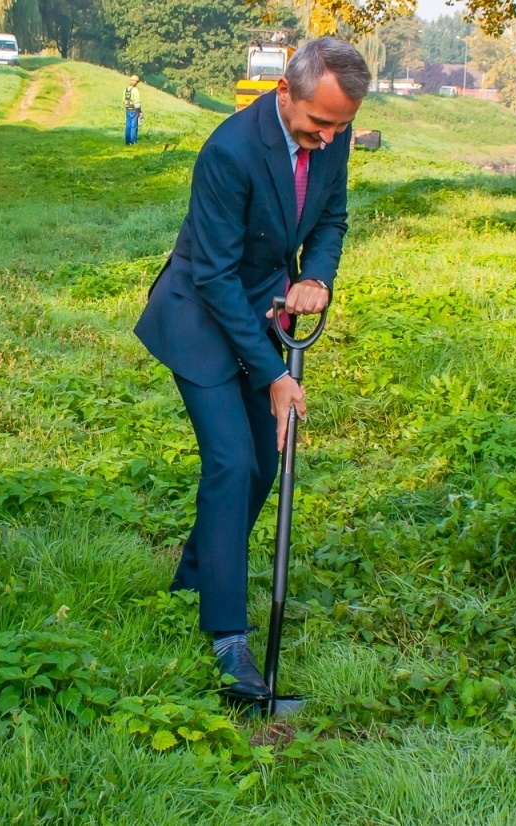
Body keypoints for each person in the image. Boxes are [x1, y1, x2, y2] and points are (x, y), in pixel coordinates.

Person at [133, 38, 368, 699]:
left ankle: (194, 573)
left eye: (340, 127)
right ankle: (230, 640)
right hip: (201, 314)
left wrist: (317, 276)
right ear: (285, 93)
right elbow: (211, 275)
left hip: (264, 309)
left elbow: (332, 218)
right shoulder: (229, 152)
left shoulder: (332, 135)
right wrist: (273, 374)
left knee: (265, 464)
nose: (328, 139)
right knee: (233, 461)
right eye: (320, 123)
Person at [124, 75, 143, 145]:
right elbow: (137, 102)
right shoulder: (135, 90)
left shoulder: (126, 89)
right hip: (134, 110)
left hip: (128, 109)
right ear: (136, 82)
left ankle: (127, 141)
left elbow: (124, 100)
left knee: (128, 125)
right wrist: (139, 111)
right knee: (133, 126)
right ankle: (133, 142)